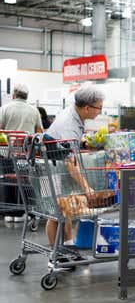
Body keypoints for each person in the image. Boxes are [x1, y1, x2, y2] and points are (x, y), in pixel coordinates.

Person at [45, 84, 105, 248]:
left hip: (57, 165)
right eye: (99, 108)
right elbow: (70, 164)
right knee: (55, 213)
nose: (100, 111)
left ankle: (68, 246)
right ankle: (55, 257)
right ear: (87, 107)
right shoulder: (69, 124)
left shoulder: (74, 115)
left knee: (65, 208)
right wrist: (87, 188)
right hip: (55, 170)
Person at [0, 84, 43, 222]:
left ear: (13, 95)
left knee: (8, 179)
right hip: (27, 153)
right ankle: (25, 211)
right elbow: (39, 132)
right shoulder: (34, 110)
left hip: (7, 152)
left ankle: (9, 213)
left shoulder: (4, 109)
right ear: (27, 96)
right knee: (25, 181)